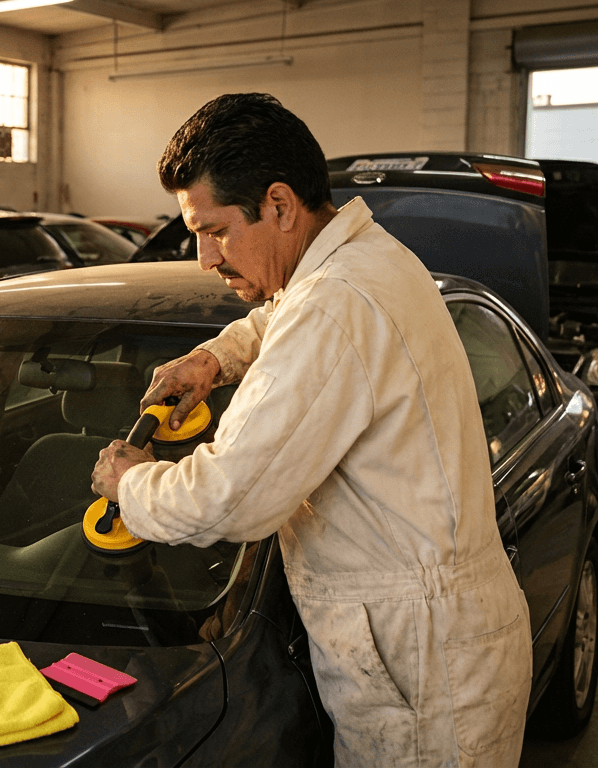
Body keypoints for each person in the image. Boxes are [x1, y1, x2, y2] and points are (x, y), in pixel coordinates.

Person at [90, 94, 531, 766]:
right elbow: (284, 313)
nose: (205, 258)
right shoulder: (359, 264)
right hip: (434, 641)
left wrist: (131, 485)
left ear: (279, 205)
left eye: (215, 231)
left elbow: (229, 498)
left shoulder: (335, 304)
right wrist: (216, 357)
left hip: (422, 664)